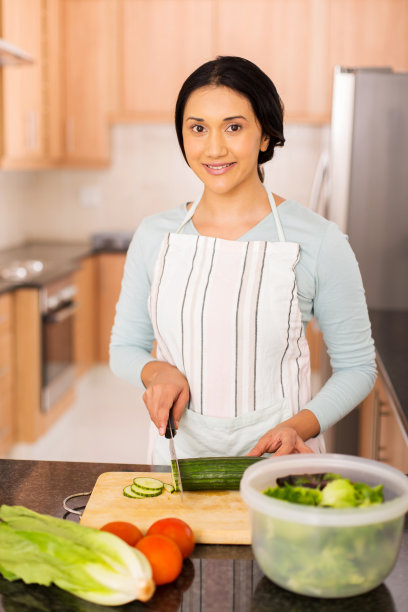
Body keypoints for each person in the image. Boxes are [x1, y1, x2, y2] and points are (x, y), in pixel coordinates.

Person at [110, 56, 376, 464]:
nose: (214, 148)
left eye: (233, 127)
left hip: (280, 467)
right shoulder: (154, 237)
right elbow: (125, 347)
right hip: (176, 464)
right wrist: (156, 372)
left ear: (265, 136)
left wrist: (297, 426)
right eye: (198, 128)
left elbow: (357, 368)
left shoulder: (319, 241)